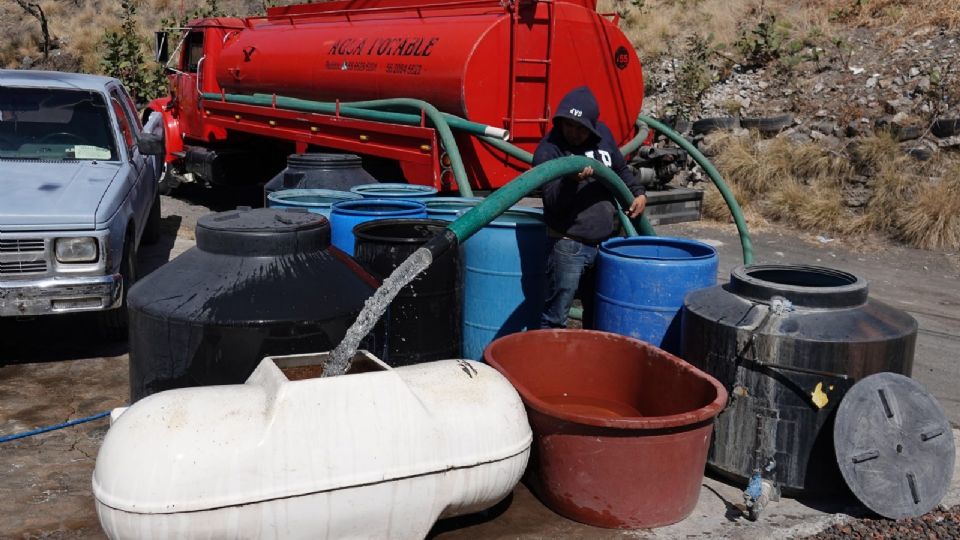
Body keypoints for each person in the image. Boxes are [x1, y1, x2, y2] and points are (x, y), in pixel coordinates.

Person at [534, 86, 647, 329]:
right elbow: (552, 202)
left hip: (605, 245)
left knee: (598, 315)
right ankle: (549, 365)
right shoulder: (548, 150)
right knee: (556, 317)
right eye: (568, 125)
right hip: (568, 244)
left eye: (580, 128)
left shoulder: (603, 136)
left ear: (592, 126)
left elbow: (620, 170)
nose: (573, 133)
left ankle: (586, 362)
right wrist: (570, 181)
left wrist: (638, 193)